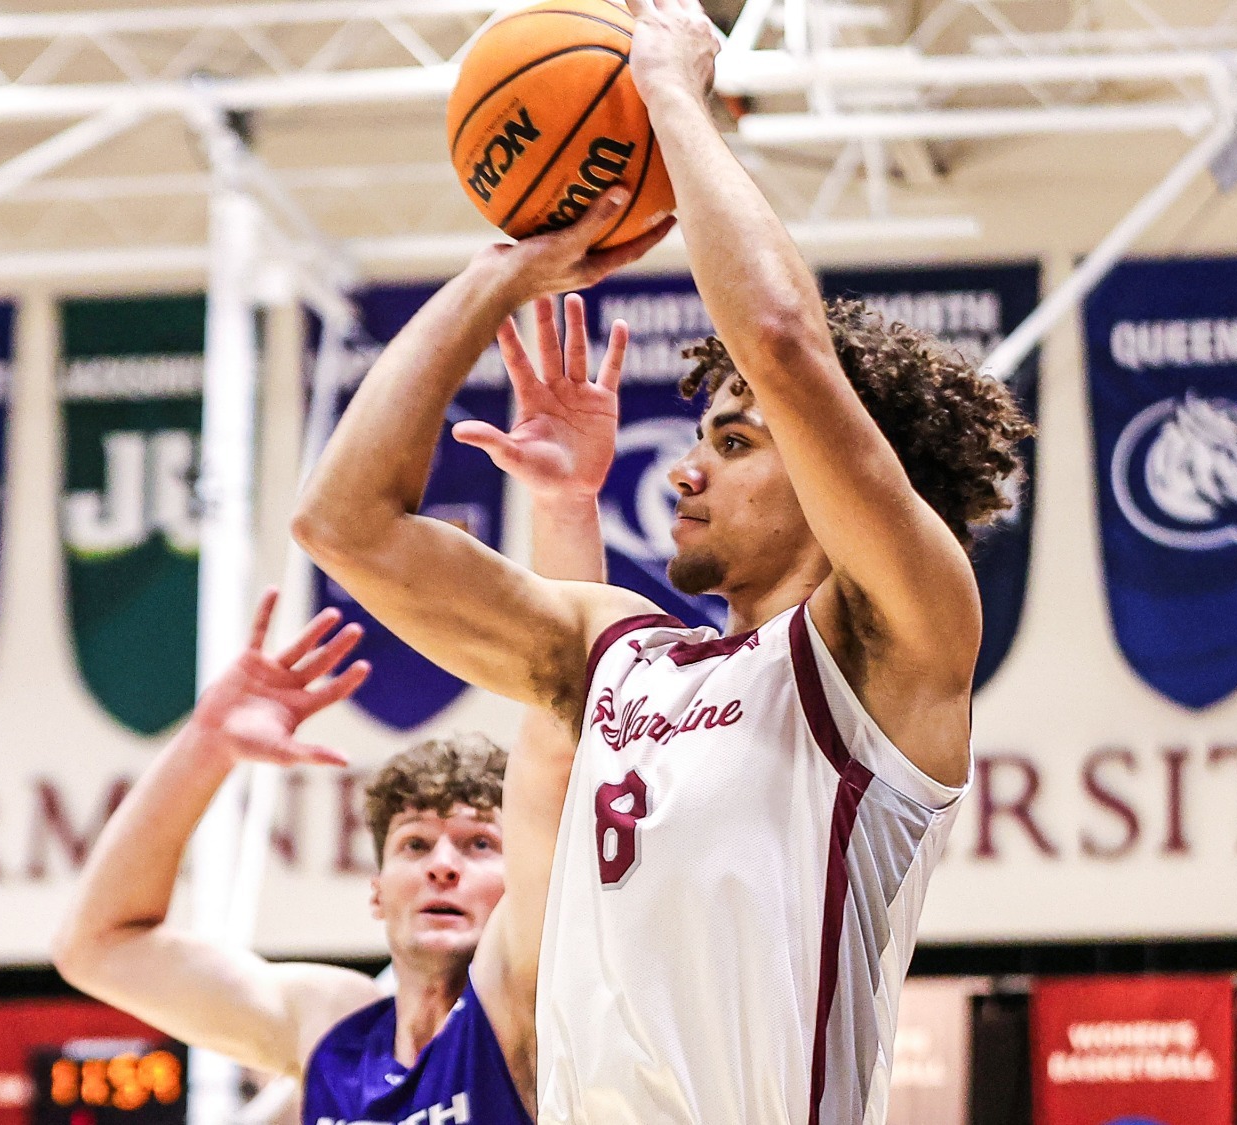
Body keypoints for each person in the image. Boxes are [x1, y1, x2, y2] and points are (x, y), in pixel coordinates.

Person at [290, 0, 1032, 1119]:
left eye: (733, 443)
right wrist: (507, 273)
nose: (683, 471)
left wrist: (676, 96)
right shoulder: (618, 658)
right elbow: (342, 523)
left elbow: (781, 345)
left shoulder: (893, 647)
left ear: (833, 475)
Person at [52, 305, 636, 1124]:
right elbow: (98, 945)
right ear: (376, 891)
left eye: (478, 844)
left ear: (529, 880)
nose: (442, 866)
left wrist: (564, 504)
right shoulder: (328, 1024)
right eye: (416, 845)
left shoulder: (524, 1003)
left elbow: (564, 715)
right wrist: (205, 744)